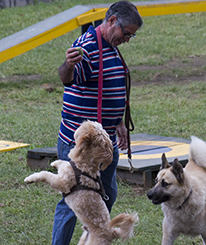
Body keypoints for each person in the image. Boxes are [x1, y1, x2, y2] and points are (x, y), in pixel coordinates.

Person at [52, 1, 143, 244]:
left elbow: (110, 87)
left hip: (105, 139)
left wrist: (119, 122)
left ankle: (89, 238)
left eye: (131, 36)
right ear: (112, 21)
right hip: (83, 143)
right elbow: (67, 78)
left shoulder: (111, 46)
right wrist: (68, 65)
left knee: (107, 193)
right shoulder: (87, 46)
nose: (127, 40)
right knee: (73, 199)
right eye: (127, 34)